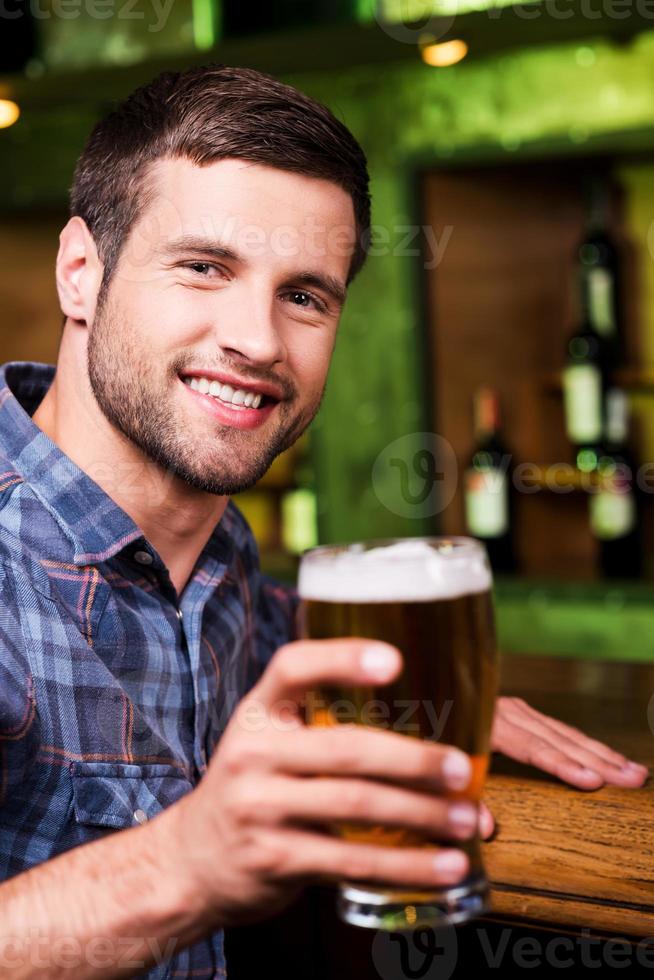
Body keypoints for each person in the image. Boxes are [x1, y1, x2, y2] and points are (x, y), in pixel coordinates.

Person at [0, 63, 647, 979]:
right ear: (80, 271)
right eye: (203, 267)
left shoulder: (217, 559)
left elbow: (262, 620)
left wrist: (417, 698)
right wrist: (187, 864)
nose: (260, 340)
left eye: (304, 294)